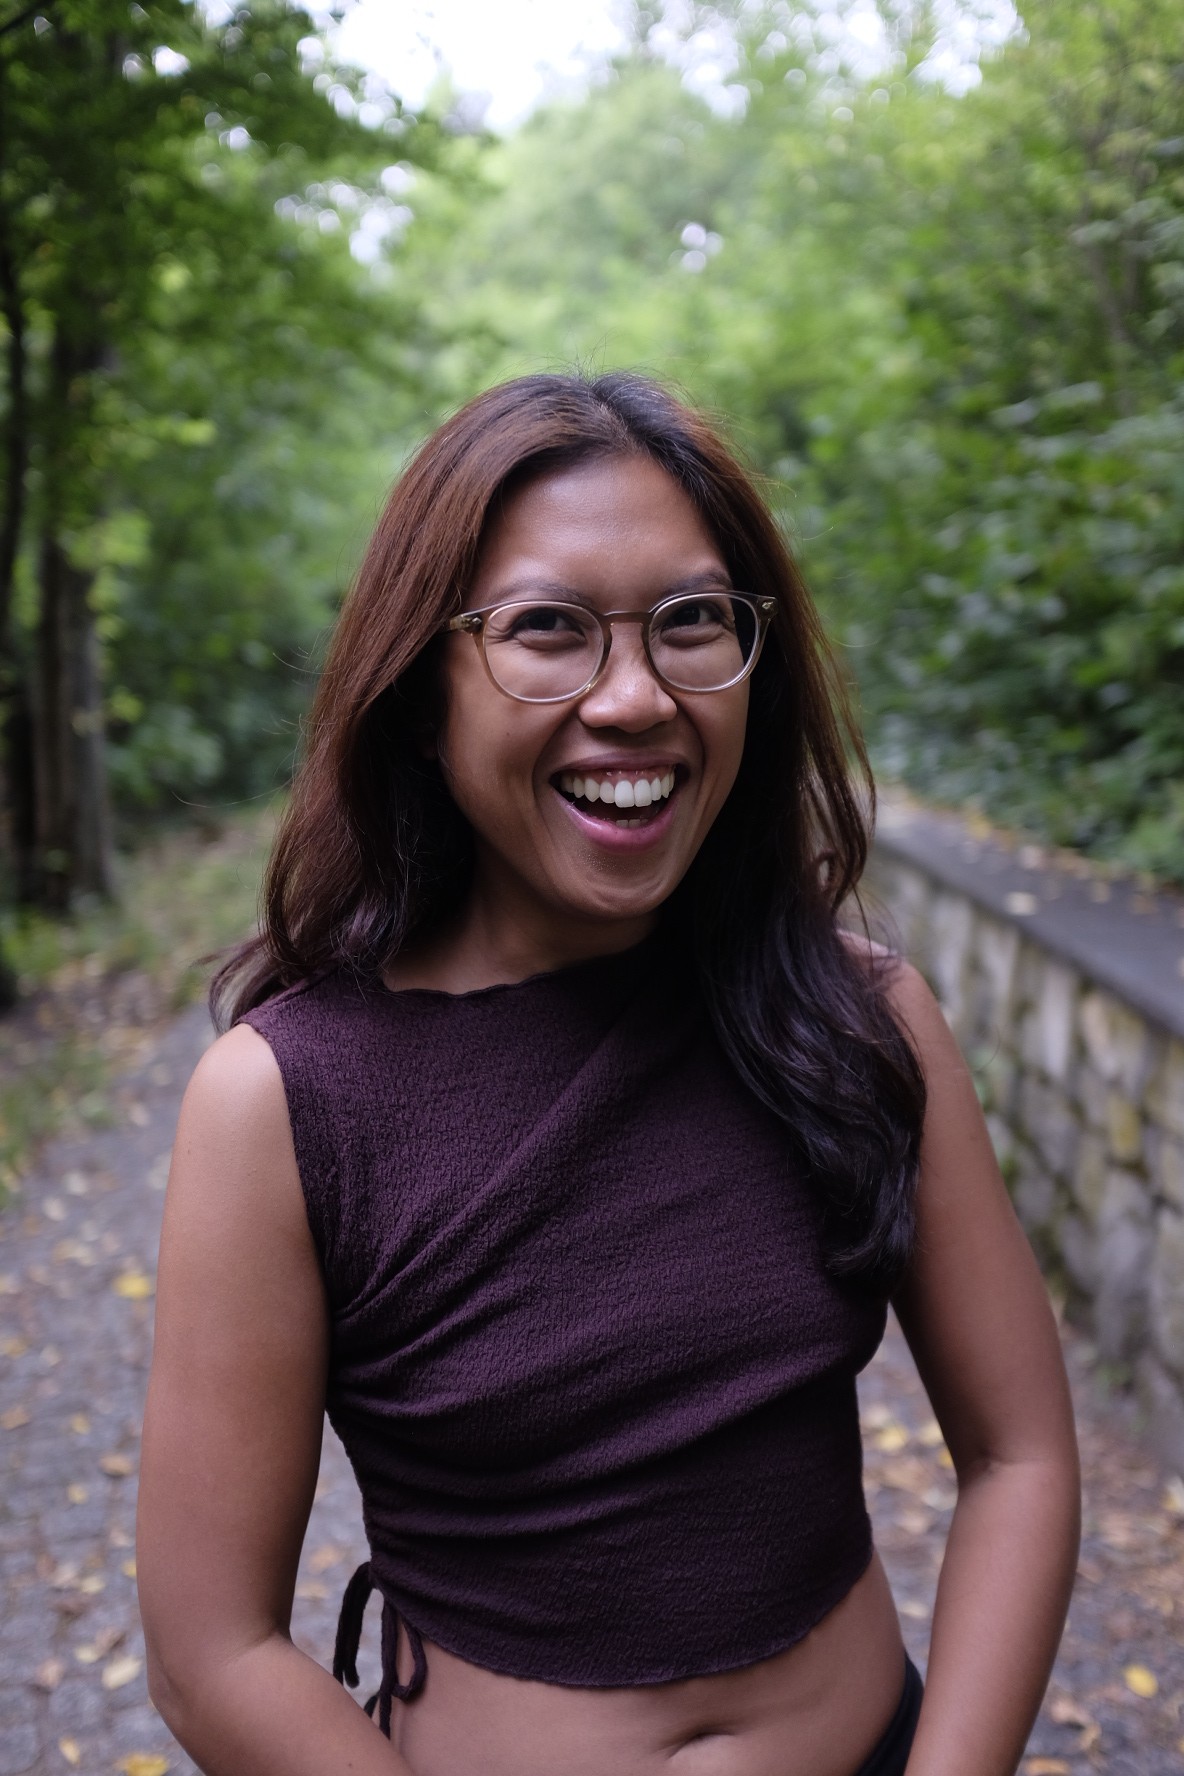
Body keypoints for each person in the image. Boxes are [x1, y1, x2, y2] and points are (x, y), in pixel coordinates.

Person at [136, 372, 1080, 1776]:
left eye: (691, 620)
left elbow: (1022, 1458)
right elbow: (211, 1653)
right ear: (421, 691)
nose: (634, 698)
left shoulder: (859, 1017)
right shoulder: (283, 1102)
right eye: (546, 630)